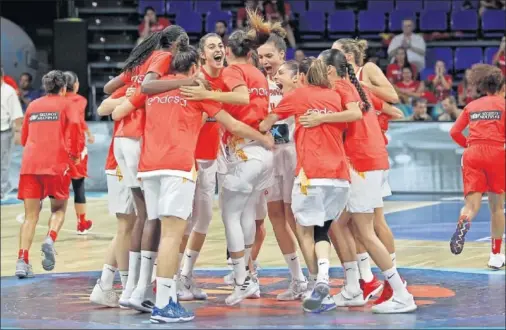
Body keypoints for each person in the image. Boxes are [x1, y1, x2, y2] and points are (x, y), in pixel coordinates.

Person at [136, 40, 273, 323]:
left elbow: (118, 107)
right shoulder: (195, 92)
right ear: (195, 65)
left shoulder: (153, 91)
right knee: (174, 235)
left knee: (163, 229)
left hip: (148, 167)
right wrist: (264, 139)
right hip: (178, 167)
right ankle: (165, 303)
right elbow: (233, 124)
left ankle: (146, 291)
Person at [301, 49, 417, 314]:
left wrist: (319, 118)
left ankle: (401, 293)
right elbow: (391, 109)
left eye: (320, 66)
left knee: (366, 231)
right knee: (340, 225)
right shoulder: (356, 87)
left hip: (361, 164)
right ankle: (354, 288)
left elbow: (354, 116)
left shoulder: (340, 90)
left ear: (330, 70)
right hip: (371, 161)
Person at [179, 9, 278, 306]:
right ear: (201, 54)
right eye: (212, 46)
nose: (218, 49)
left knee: (216, 218)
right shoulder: (199, 81)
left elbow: (238, 108)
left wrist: (261, 134)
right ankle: (177, 277)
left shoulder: (228, 78)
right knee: (198, 220)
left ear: (230, 51)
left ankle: (238, 279)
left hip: (231, 154)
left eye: (221, 46)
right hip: (201, 158)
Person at [260, 56, 363, 313]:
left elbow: (266, 123)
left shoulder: (298, 97)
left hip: (311, 175)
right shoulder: (336, 96)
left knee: (303, 230)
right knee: (322, 231)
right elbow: (354, 114)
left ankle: (318, 282)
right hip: (340, 178)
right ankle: (326, 282)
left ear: (302, 76)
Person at [103, 25, 189, 312]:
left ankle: (132, 288)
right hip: (141, 140)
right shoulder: (163, 59)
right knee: (150, 217)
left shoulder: (139, 62)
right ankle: (138, 289)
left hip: (124, 140)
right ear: (175, 44)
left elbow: (107, 92)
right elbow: (148, 88)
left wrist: (124, 101)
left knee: (141, 215)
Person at [331, 38, 402, 304]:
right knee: (356, 224)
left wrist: (362, 88)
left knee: (372, 222)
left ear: (348, 57)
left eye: (336, 53)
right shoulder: (343, 84)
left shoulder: (365, 71)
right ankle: (368, 277)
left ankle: (390, 278)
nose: (331, 57)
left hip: (368, 157)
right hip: (363, 154)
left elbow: (393, 99)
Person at [15, 70, 83, 278]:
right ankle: (50, 239)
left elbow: (23, 138)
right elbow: (75, 133)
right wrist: (75, 157)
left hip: (30, 166)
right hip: (56, 166)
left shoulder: (33, 106)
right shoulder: (67, 105)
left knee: (30, 216)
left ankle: (22, 260)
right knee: (59, 208)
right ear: (63, 88)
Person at [257, 33, 308, 301]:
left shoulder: (295, 80)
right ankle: (297, 278)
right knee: (276, 216)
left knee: (294, 217)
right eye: (261, 57)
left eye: (269, 56)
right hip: (269, 157)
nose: (264, 61)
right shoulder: (257, 83)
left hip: (292, 154)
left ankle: (314, 278)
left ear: (281, 54)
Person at [449, 64, 505, 270]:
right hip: (497, 153)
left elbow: (454, 132)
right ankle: (495, 255)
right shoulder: (503, 105)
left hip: (472, 153)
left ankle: (464, 220)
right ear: (501, 87)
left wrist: (470, 147)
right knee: (497, 207)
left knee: (472, 205)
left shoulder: (472, 106)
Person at [90, 84, 137, 307]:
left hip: (139, 160)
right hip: (120, 164)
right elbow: (102, 108)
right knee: (126, 225)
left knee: (131, 225)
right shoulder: (138, 84)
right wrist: (127, 101)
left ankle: (106, 283)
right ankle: (127, 287)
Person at [63, 71, 95, 234]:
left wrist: (88, 132)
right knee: (78, 185)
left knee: (55, 188)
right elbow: (76, 121)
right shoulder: (80, 100)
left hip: (58, 148)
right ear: (75, 85)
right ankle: (81, 222)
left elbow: (78, 120)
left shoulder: (56, 101)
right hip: (75, 147)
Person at [1, 67, 24, 200]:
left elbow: (17, 114)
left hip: (4, 130)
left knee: (3, 162)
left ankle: (2, 190)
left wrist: (18, 131)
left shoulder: (9, 92)